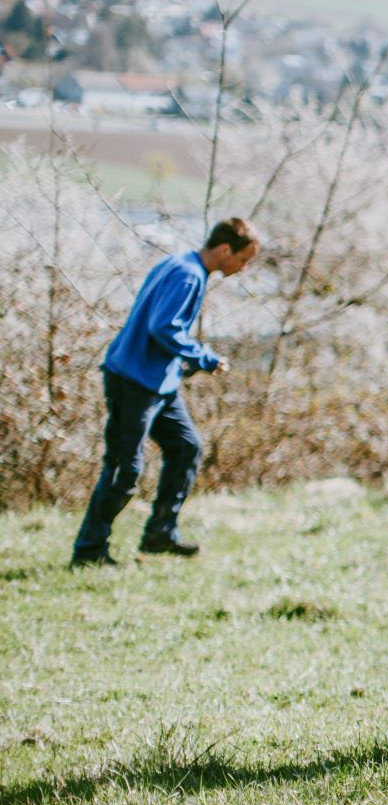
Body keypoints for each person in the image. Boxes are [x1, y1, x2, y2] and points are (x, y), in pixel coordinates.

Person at [70, 217, 260, 567]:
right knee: (124, 471)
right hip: (134, 381)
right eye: (243, 259)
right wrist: (203, 357)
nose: (243, 268)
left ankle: (160, 532)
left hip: (160, 382)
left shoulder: (179, 264)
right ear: (223, 250)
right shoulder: (187, 274)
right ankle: (89, 551)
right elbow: (163, 327)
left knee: (186, 448)